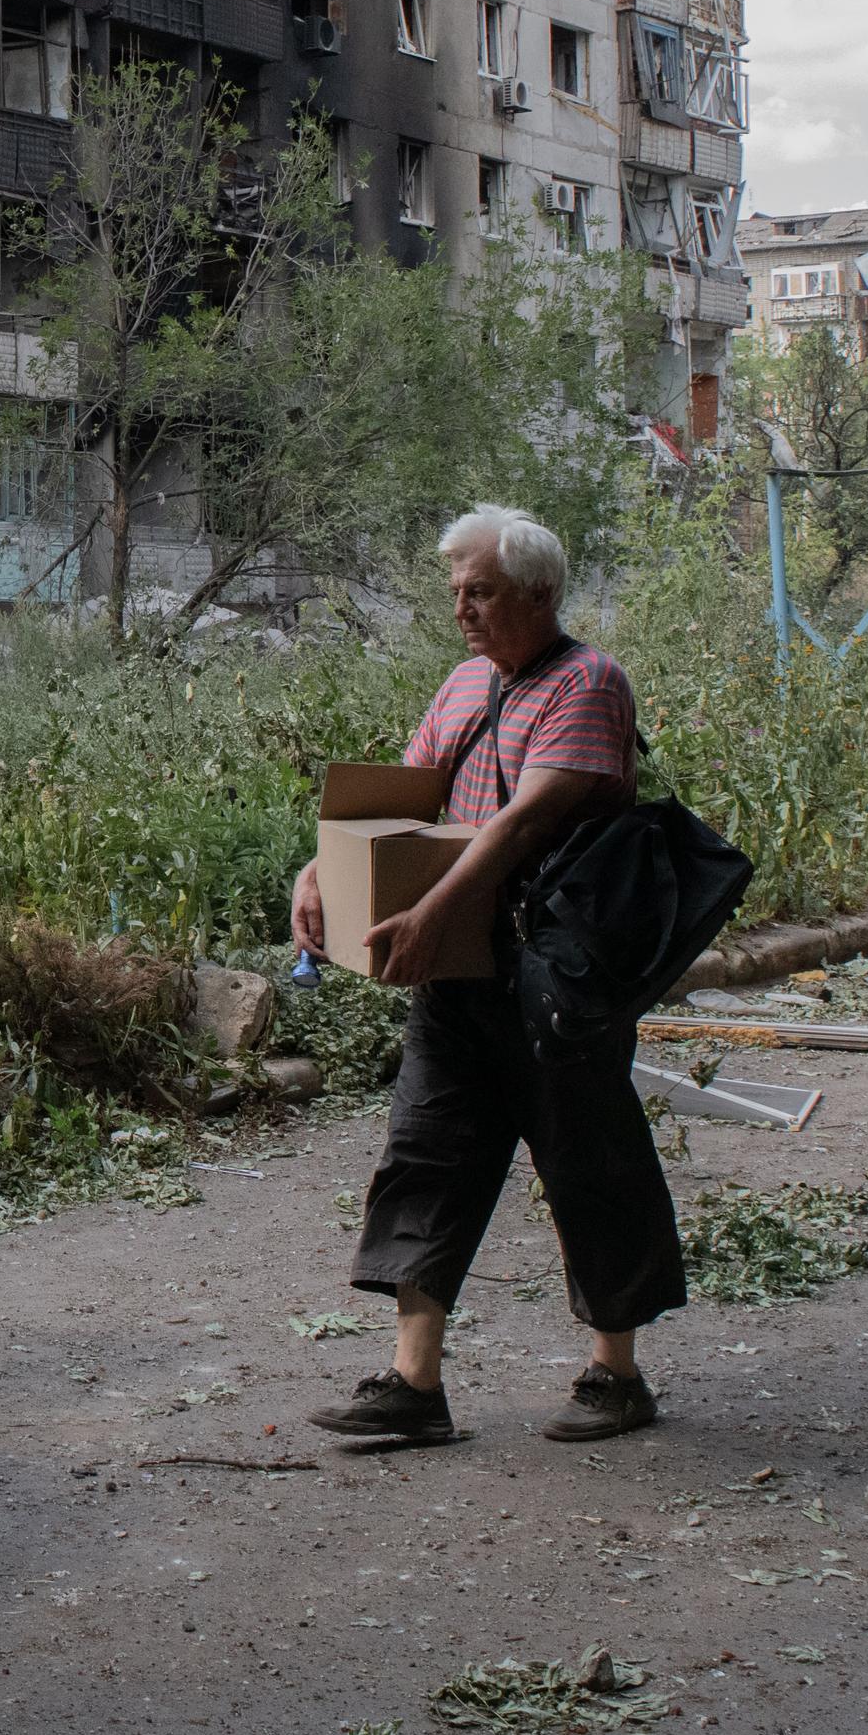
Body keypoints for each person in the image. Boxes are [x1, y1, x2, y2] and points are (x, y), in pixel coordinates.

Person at [290, 504, 684, 1447]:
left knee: (587, 1162)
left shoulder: (587, 684)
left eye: (484, 592)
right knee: (427, 1151)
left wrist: (431, 911)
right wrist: (319, 865)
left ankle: (615, 1373)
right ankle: (412, 1382)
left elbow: (522, 825)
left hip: (555, 976)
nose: (464, 610)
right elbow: (403, 791)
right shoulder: (466, 682)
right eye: (457, 592)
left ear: (540, 594)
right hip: (459, 974)